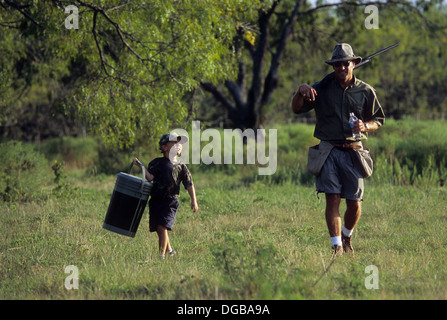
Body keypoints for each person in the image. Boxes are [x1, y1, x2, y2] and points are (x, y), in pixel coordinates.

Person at [291, 43, 385, 257]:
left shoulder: (365, 90)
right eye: (337, 65)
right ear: (333, 67)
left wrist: (365, 126)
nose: (341, 68)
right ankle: (337, 247)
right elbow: (296, 109)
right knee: (332, 198)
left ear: (353, 64)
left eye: (345, 64)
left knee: (354, 203)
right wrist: (300, 90)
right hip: (328, 151)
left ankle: (346, 235)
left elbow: (378, 119)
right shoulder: (322, 88)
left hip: (354, 151)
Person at [133, 132, 199, 259]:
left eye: (179, 144)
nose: (178, 145)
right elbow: (150, 177)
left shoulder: (181, 166)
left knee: (162, 227)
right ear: (164, 147)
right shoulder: (156, 163)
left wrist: (194, 201)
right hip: (155, 201)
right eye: (174, 143)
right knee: (159, 228)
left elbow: (189, 184)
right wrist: (141, 166)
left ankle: (161, 257)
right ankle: (170, 251)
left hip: (170, 202)